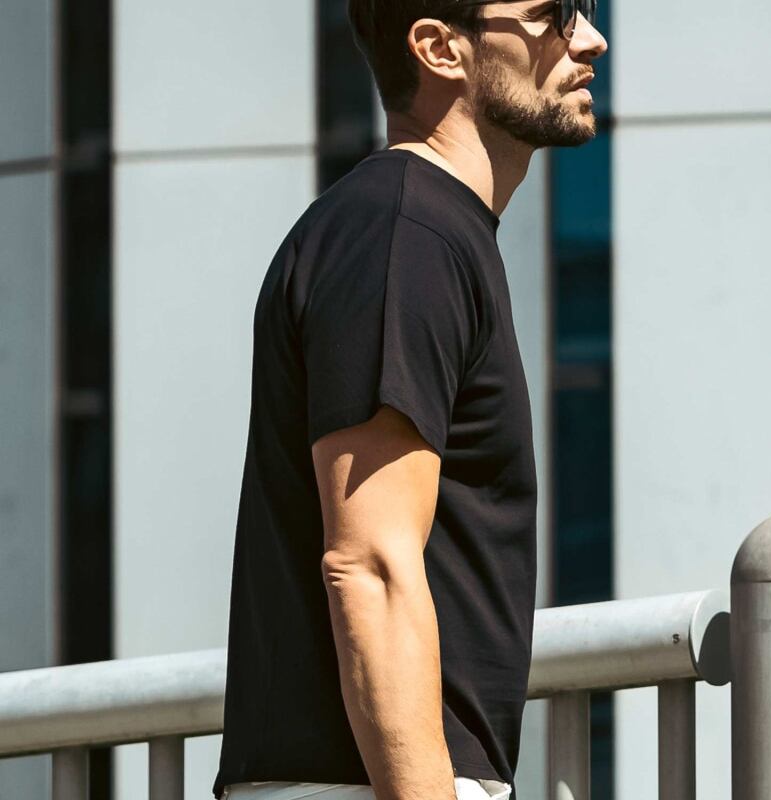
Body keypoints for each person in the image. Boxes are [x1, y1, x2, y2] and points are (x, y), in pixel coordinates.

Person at [212, 1, 607, 799]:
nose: (591, 39)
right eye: (553, 14)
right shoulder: (405, 237)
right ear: (439, 48)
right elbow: (370, 564)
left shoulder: (423, 231)